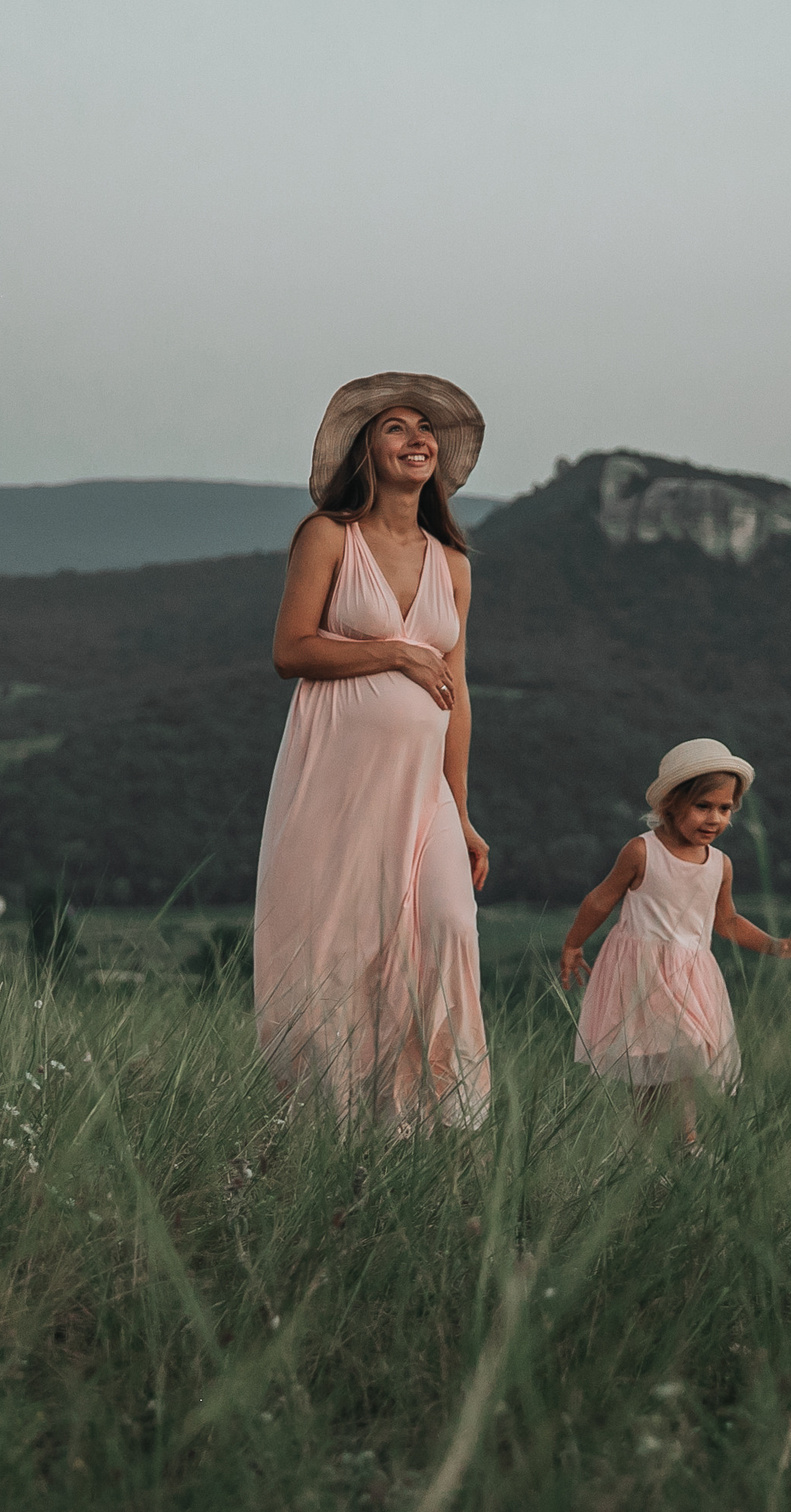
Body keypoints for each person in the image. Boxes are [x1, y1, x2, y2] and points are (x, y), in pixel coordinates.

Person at [253, 373, 493, 1131]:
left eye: (426, 429)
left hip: (425, 791)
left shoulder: (452, 563)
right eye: (396, 426)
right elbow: (291, 651)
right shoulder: (328, 536)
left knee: (450, 926)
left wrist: (461, 810)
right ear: (366, 449)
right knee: (343, 946)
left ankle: (437, 1113)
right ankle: (338, 1122)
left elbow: (455, 691)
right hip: (338, 780)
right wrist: (393, 653)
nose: (416, 438)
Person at [558, 739, 791, 1150]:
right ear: (671, 803)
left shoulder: (719, 864)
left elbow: (727, 921)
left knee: (686, 1057)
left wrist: (776, 945)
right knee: (652, 1071)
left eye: (725, 808)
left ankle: (683, 1143)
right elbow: (601, 899)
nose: (714, 818)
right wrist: (574, 944)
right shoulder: (642, 851)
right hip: (643, 973)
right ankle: (658, 1150)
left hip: (691, 977)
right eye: (703, 806)